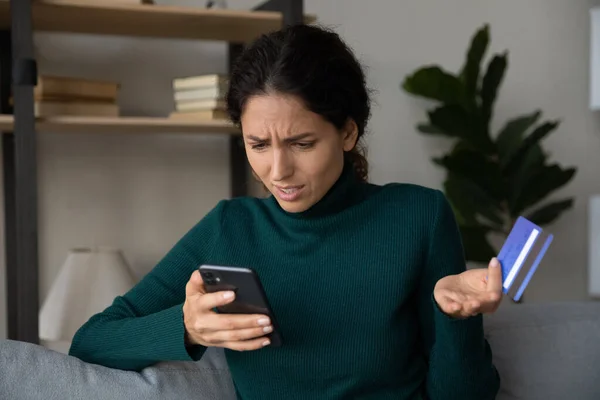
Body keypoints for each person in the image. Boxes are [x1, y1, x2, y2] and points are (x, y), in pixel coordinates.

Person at [69, 24, 502, 399]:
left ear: (348, 132)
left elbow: (466, 396)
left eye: (301, 144)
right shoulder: (229, 227)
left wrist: (457, 321)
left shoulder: (419, 216)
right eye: (258, 145)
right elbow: (91, 341)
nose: (278, 172)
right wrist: (186, 328)